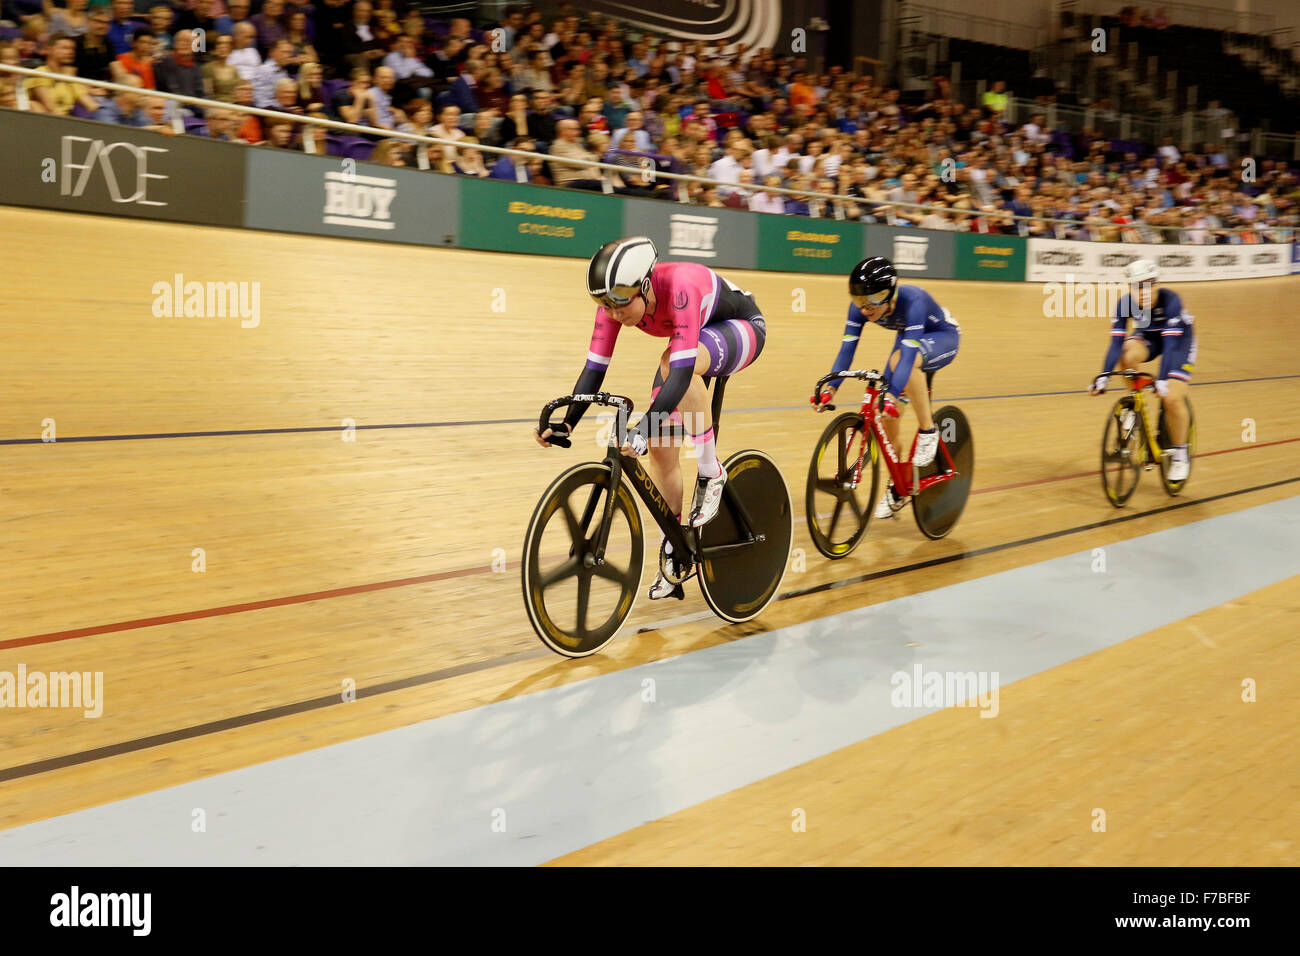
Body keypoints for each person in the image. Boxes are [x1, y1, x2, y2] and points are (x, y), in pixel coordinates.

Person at [534, 237, 769, 600]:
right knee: (660, 448)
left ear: (644, 285)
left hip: (743, 327)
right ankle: (675, 548)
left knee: (671, 370)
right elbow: (594, 370)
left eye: (619, 305)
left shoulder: (681, 288)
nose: (613, 313)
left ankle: (711, 470)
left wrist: (643, 426)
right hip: (691, 347)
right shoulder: (614, 301)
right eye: (605, 305)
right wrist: (568, 422)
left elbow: (680, 370)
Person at [812, 256, 961, 518]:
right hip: (908, 339)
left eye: (874, 299)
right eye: (859, 300)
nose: (866, 308)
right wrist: (830, 388)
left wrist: (892, 394)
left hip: (942, 336)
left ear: (891, 294)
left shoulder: (913, 300)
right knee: (887, 417)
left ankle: (929, 431)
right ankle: (899, 486)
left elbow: (905, 356)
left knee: (898, 366)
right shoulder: (859, 309)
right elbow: (847, 350)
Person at [1089, 258, 1195, 481]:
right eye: (1138, 286)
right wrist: (1104, 377)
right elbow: (1116, 344)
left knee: (1172, 398)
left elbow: (1169, 346)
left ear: (1157, 285)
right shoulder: (1125, 303)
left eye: (1150, 285)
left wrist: (1164, 380)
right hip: (1148, 338)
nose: (1144, 291)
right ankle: (1134, 402)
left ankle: (1180, 453)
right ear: (1130, 289)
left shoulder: (1171, 301)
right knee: (1127, 351)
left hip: (1178, 342)